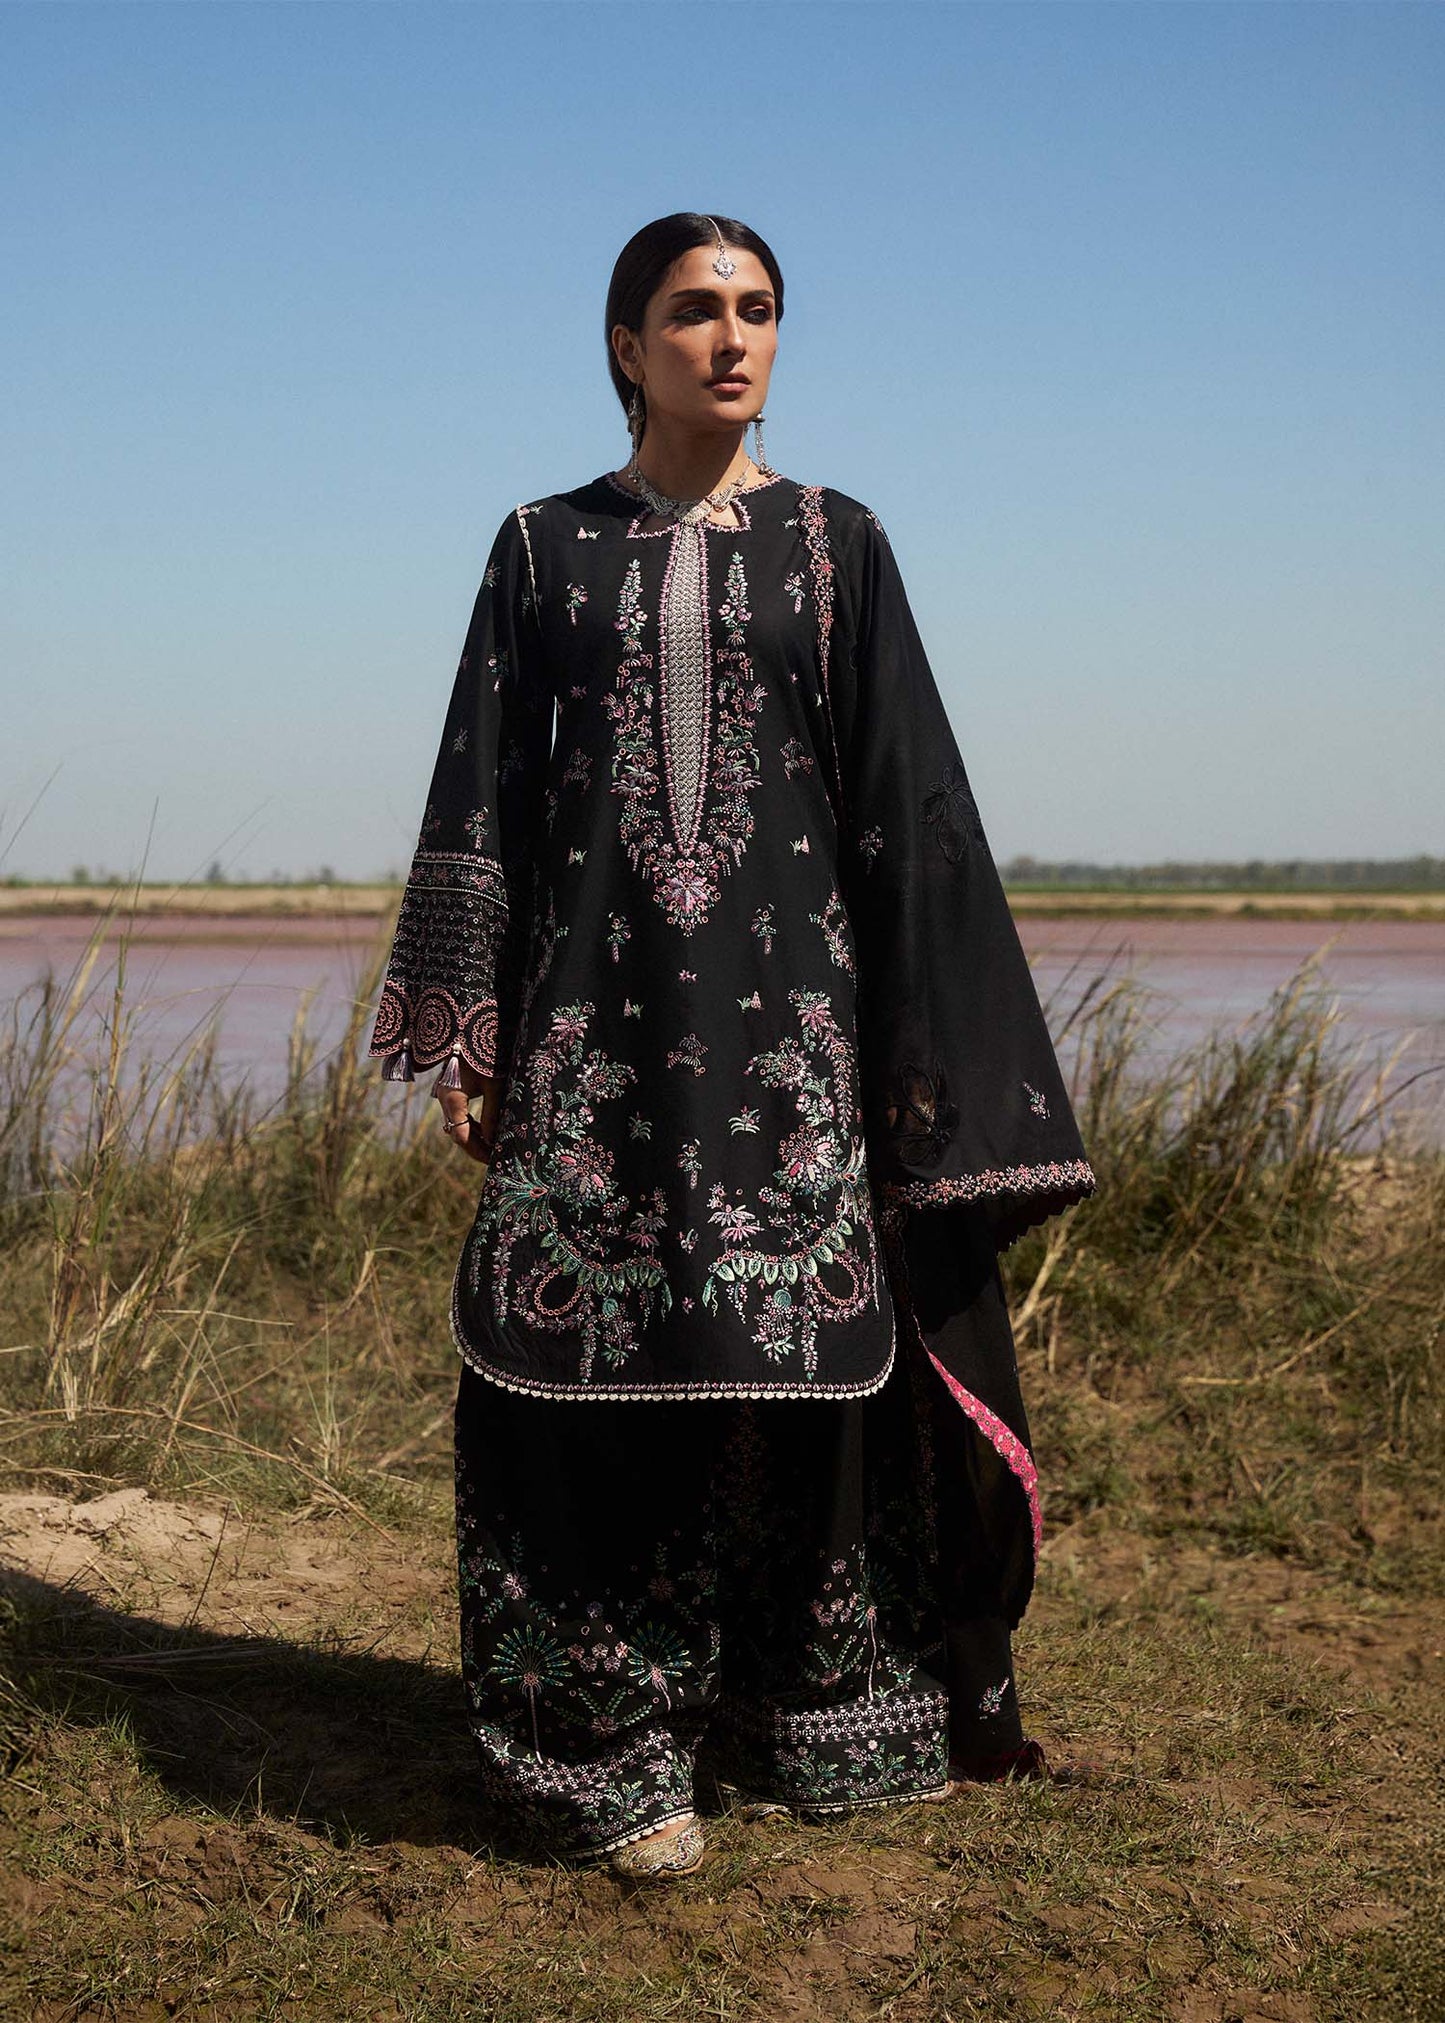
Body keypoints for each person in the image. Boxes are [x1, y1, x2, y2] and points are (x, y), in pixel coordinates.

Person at [368, 213, 1098, 1877]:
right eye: (693, 310)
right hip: (591, 1045)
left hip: (794, 1050)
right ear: (626, 347)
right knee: (584, 1375)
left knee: (807, 1364)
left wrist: (927, 1063)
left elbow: (906, 806)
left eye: (757, 309)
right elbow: (481, 786)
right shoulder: (542, 551)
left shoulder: (839, 546)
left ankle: (818, 1711)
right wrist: (473, 1028)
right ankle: (602, 1745)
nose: (732, 337)